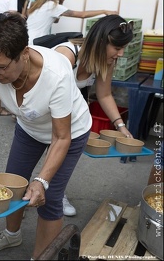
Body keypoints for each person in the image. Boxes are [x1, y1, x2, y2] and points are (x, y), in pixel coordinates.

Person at [0, 12, 91, 257]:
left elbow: (61, 137)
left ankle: (40, 256)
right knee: (13, 184)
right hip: (30, 127)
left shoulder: (56, 75)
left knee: (48, 197)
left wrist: (41, 181)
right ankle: (11, 235)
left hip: (70, 132)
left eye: (1, 67)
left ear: (24, 54)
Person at [53, 15, 135, 216]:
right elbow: (46, 91)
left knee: (65, 150)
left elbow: (104, 94)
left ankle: (56, 193)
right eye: (117, 48)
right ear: (101, 43)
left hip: (73, 101)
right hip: (48, 102)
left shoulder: (105, 62)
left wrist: (121, 127)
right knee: (50, 147)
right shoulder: (67, 55)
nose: (121, 53)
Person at [27, 0, 118, 45]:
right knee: (74, 38)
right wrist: (104, 11)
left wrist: (61, 1)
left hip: (28, 39)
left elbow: (56, 20)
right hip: (35, 41)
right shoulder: (51, 5)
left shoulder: (40, 4)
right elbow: (82, 15)